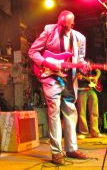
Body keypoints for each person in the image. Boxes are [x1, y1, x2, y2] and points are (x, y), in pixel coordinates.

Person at [28, 10, 89, 165]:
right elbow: (32, 51)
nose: (62, 28)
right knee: (54, 114)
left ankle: (71, 148)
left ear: (72, 24)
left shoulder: (80, 38)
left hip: (70, 79)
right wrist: (47, 63)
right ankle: (56, 152)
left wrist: (83, 66)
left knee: (71, 113)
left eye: (66, 26)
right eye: (60, 24)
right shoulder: (49, 31)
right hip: (51, 78)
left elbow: (80, 59)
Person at [76, 69, 106, 139]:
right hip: (81, 90)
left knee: (94, 112)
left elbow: (98, 71)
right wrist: (78, 77)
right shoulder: (77, 62)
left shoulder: (90, 61)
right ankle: (83, 133)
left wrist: (96, 77)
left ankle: (95, 132)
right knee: (81, 112)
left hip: (92, 89)